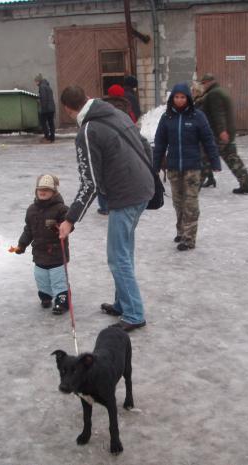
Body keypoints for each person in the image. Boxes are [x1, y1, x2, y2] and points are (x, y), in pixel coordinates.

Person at [57, 85, 154, 332]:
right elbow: (145, 145)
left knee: (117, 256)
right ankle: (123, 303)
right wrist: (143, 176)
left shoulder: (88, 130)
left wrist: (70, 219)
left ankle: (134, 314)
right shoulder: (116, 112)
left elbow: (90, 183)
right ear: (87, 97)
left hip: (126, 195)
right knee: (124, 251)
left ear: (68, 109)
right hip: (141, 189)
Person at [153, 83, 221, 251]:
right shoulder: (166, 118)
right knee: (178, 202)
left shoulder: (198, 117)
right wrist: (154, 166)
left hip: (192, 168)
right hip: (174, 167)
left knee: (190, 203)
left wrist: (215, 161)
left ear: (188, 99)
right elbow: (160, 143)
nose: (179, 100)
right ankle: (181, 230)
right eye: (176, 97)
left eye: (183, 97)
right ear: (172, 99)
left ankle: (189, 239)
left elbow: (208, 140)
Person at [11, 174, 70, 314]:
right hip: (39, 253)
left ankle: (62, 302)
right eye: (40, 189)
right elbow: (28, 230)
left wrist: (57, 226)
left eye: (47, 190)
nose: (42, 192)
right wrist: (21, 245)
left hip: (56, 254)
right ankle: (46, 297)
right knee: (41, 277)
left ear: (54, 192)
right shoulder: (32, 209)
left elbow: (69, 226)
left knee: (58, 279)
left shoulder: (62, 209)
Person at [199, 73, 248, 194]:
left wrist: (222, 131)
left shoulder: (214, 94)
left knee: (205, 157)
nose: (203, 86)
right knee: (233, 159)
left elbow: (218, 114)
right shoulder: (221, 91)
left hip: (218, 134)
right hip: (228, 132)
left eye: (203, 83)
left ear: (208, 82)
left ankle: (194, 186)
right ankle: (246, 184)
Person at [96, 84, 139, 216]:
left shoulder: (103, 107)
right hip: (124, 146)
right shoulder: (127, 107)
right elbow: (133, 123)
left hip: (106, 145)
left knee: (102, 176)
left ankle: (104, 206)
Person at [190, 81, 216, 189]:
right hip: (202, 132)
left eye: (192, 91)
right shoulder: (197, 101)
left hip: (203, 133)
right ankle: (210, 179)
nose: (191, 92)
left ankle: (199, 182)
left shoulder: (200, 103)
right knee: (204, 156)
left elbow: (200, 119)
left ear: (197, 92)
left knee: (202, 157)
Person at [35, 73, 56, 143]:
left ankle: (47, 137)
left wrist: (43, 109)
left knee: (43, 122)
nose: (35, 83)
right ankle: (52, 138)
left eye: (36, 81)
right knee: (51, 123)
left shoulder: (42, 87)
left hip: (46, 109)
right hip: (51, 108)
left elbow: (44, 98)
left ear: (38, 81)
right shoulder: (47, 86)